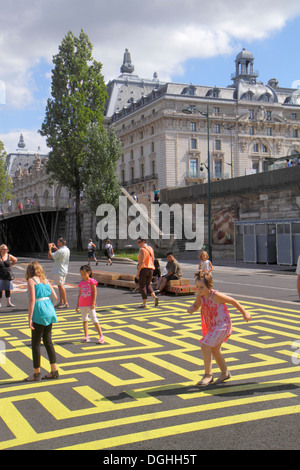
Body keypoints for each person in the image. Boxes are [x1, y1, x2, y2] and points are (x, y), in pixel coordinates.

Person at [187, 272, 251, 386]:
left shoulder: (216, 296)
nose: (199, 290)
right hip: (213, 327)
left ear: (209, 286)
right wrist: (192, 308)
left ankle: (208, 375)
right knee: (215, 350)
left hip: (223, 325)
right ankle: (225, 373)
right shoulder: (200, 296)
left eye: (202, 287)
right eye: (197, 287)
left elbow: (233, 301)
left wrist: (244, 313)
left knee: (205, 344)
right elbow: (196, 305)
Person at [24, 261, 59, 382]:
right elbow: (55, 297)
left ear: (29, 271)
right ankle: (54, 370)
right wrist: (50, 307)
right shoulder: (45, 280)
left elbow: (32, 299)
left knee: (36, 343)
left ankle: (36, 373)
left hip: (39, 311)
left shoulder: (31, 281)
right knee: (48, 341)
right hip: (49, 310)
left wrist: (29, 318)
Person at [76, 265, 104, 344]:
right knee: (84, 320)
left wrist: (93, 303)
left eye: (84, 274)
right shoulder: (81, 283)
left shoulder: (92, 281)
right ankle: (86, 336)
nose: (83, 275)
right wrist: (77, 304)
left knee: (94, 319)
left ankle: (101, 336)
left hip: (90, 305)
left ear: (89, 273)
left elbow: (95, 293)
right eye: (81, 274)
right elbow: (79, 294)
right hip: (82, 304)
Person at [48, 237, 70, 308]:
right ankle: (61, 302)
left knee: (61, 286)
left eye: (58, 242)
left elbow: (50, 256)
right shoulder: (66, 249)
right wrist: (55, 248)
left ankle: (65, 303)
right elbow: (59, 253)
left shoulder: (61, 251)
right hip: (64, 270)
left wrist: (49, 248)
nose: (57, 243)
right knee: (60, 286)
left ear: (61, 243)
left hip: (59, 270)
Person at [137, 237, 159, 308]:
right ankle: (154, 297)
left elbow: (141, 262)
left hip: (144, 269)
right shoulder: (150, 248)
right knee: (148, 284)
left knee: (142, 286)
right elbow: (152, 259)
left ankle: (144, 303)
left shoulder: (142, 250)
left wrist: (138, 273)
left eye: (139, 242)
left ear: (143, 241)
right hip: (151, 269)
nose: (138, 244)